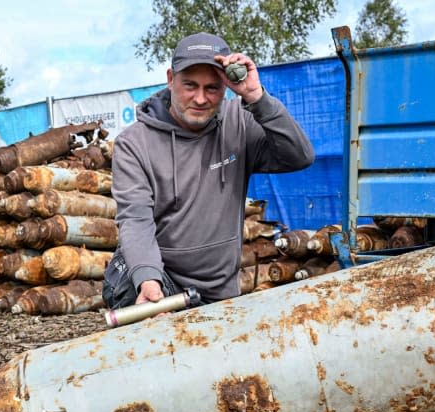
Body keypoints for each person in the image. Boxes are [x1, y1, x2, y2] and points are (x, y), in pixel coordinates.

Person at [102, 32, 314, 310]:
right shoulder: (135, 143)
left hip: (220, 288)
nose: (200, 98)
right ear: (170, 78)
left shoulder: (239, 121)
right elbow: (135, 218)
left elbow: (299, 156)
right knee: (132, 290)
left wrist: (256, 97)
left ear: (226, 86)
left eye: (212, 88)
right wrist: (148, 280)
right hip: (163, 278)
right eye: (190, 85)